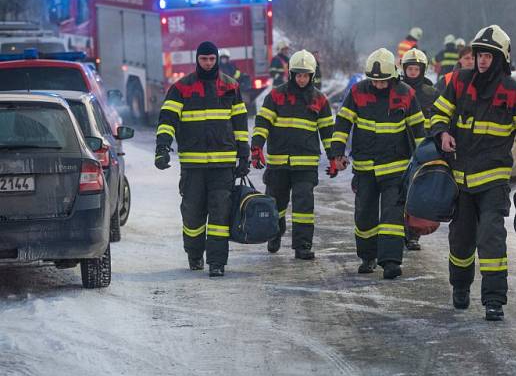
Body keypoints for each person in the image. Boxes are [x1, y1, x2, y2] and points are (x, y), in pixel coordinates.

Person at [429, 25, 516, 320]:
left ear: (501, 59)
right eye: (479, 54)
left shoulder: (515, 92)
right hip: (461, 179)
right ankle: (460, 287)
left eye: (488, 56)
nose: (481, 60)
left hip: (493, 179)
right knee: (461, 239)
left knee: (491, 238)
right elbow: (438, 114)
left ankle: (494, 300)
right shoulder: (458, 82)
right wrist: (442, 133)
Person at [155, 41, 250, 277]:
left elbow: (239, 122)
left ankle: (217, 263)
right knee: (192, 214)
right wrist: (162, 148)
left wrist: (244, 154)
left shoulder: (230, 87)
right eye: (203, 59)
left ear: (217, 59)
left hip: (223, 165)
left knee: (220, 215)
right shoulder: (181, 88)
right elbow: (167, 120)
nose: (208, 63)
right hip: (193, 166)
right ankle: (195, 254)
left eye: (211, 59)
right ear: (197, 60)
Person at [330, 48, 425, 279]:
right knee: (364, 217)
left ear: (393, 75)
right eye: (374, 81)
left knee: (392, 217)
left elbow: (418, 130)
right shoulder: (358, 92)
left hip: (396, 168)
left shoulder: (406, 93)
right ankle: (368, 257)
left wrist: (425, 161)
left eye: (383, 81)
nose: (379, 85)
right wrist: (336, 153)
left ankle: (391, 262)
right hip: (365, 168)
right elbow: (343, 123)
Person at [251, 50, 334, 260]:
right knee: (275, 204)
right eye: (298, 75)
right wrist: (256, 147)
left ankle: (302, 245)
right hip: (278, 163)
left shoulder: (320, 100)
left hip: (305, 165)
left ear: (312, 76)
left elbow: (327, 132)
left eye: (306, 75)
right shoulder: (276, 95)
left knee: (303, 206)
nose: (302, 79)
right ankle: (274, 234)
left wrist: (335, 157)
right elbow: (263, 123)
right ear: (291, 74)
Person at [399, 48, 438, 251]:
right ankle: (397, 231)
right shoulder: (396, 89)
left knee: (417, 192)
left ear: (422, 70)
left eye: (416, 69)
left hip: (423, 148)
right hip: (399, 147)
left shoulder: (431, 93)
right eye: (410, 69)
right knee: (398, 191)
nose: (413, 72)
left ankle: (413, 235)